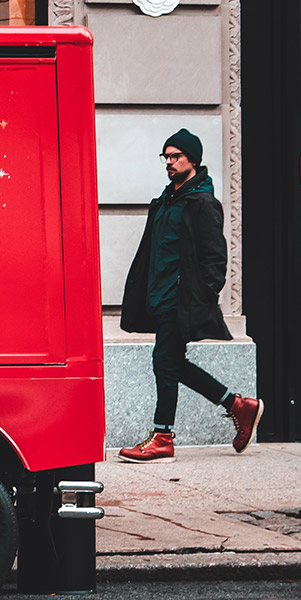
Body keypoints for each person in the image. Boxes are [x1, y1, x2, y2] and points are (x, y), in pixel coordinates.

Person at [117, 129, 263, 462]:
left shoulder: (202, 203)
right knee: (172, 364)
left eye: (175, 156)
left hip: (180, 300)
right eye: (166, 157)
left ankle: (163, 436)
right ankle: (239, 405)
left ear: (192, 160)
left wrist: (202, 296)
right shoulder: (168, 200)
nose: (169, 162)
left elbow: (215, 258)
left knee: (164, 363)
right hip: (160, 296)